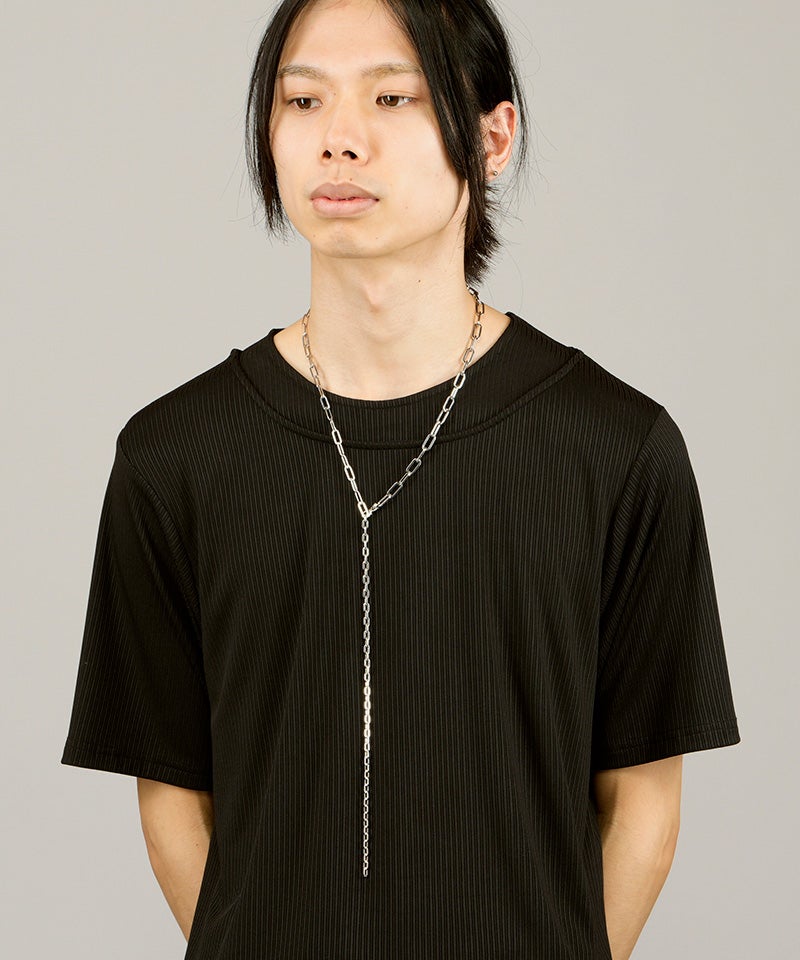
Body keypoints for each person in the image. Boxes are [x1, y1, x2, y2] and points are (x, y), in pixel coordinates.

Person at [60, 1, 741, 957]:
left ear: (493, 139)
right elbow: (174, 799)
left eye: (393, 97)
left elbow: (644, 808)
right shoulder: (174, 456)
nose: (339, 139)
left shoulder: (618, 449)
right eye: (303, 101)